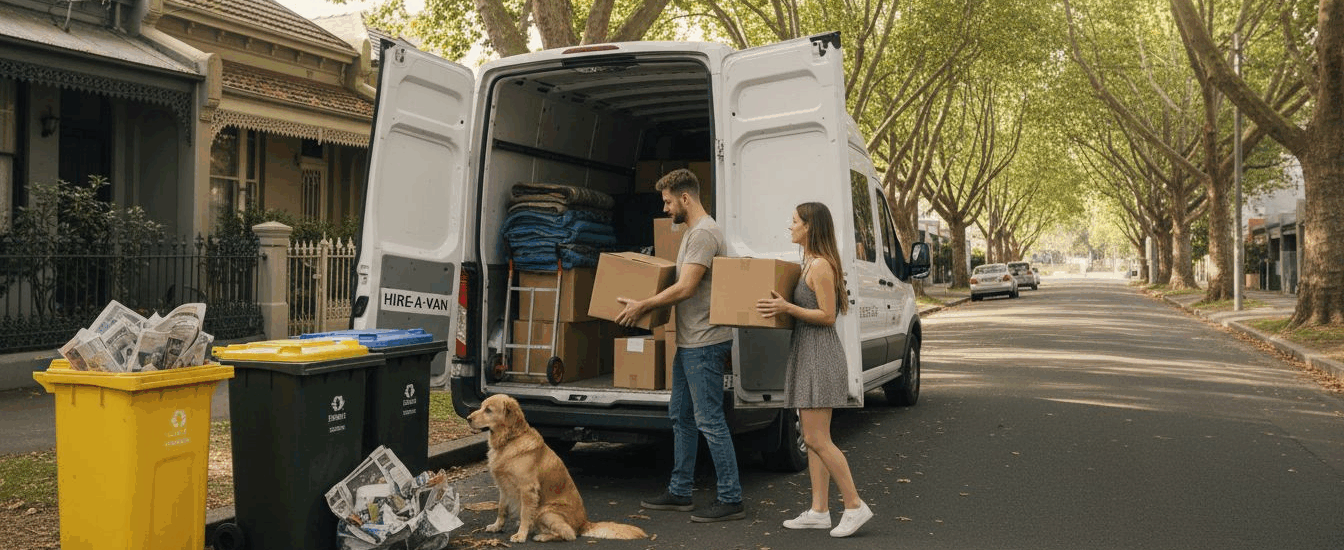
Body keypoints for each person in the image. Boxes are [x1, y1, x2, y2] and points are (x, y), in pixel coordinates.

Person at [613, 168, 744, 523]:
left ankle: (731, 497)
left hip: (704, 343)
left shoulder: (703, 234)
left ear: (685, 198)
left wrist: (644, 304)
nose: (666, 209)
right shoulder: (692, 232)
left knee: (709, 420)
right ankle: (680, 490)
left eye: (669, 202)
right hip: (690, 342)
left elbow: (686, 287)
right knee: (681, 417)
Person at [755, 202, 873, 538]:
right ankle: (819, 511)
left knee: (816, 438)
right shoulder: (807, 261)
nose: (789, 226)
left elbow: (828, 315)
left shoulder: (820, 266)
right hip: (808, 352)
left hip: (820, 355)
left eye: (794, 221)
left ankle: (854, 505)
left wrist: (786, 306)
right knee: (813, 438)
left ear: (809, 227)